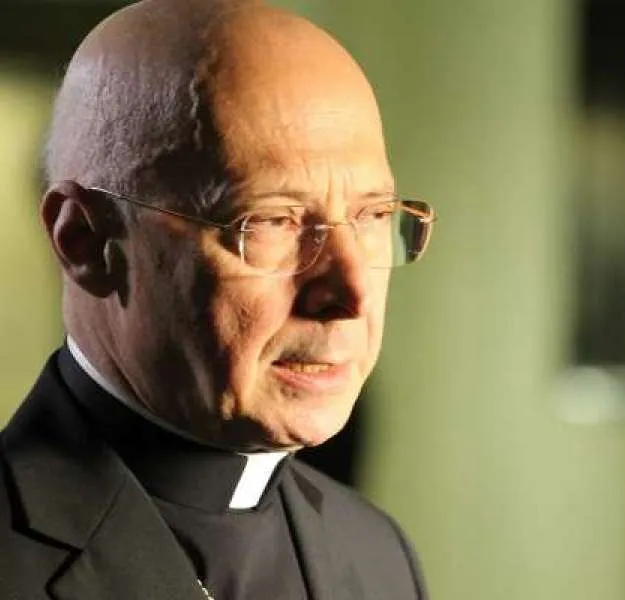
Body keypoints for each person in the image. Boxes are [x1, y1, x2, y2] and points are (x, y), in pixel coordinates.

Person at [0, 0, 434, 598]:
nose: (351, 294)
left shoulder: (378, 556)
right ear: (87, 242)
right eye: (273, 221)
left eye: (372, 215)